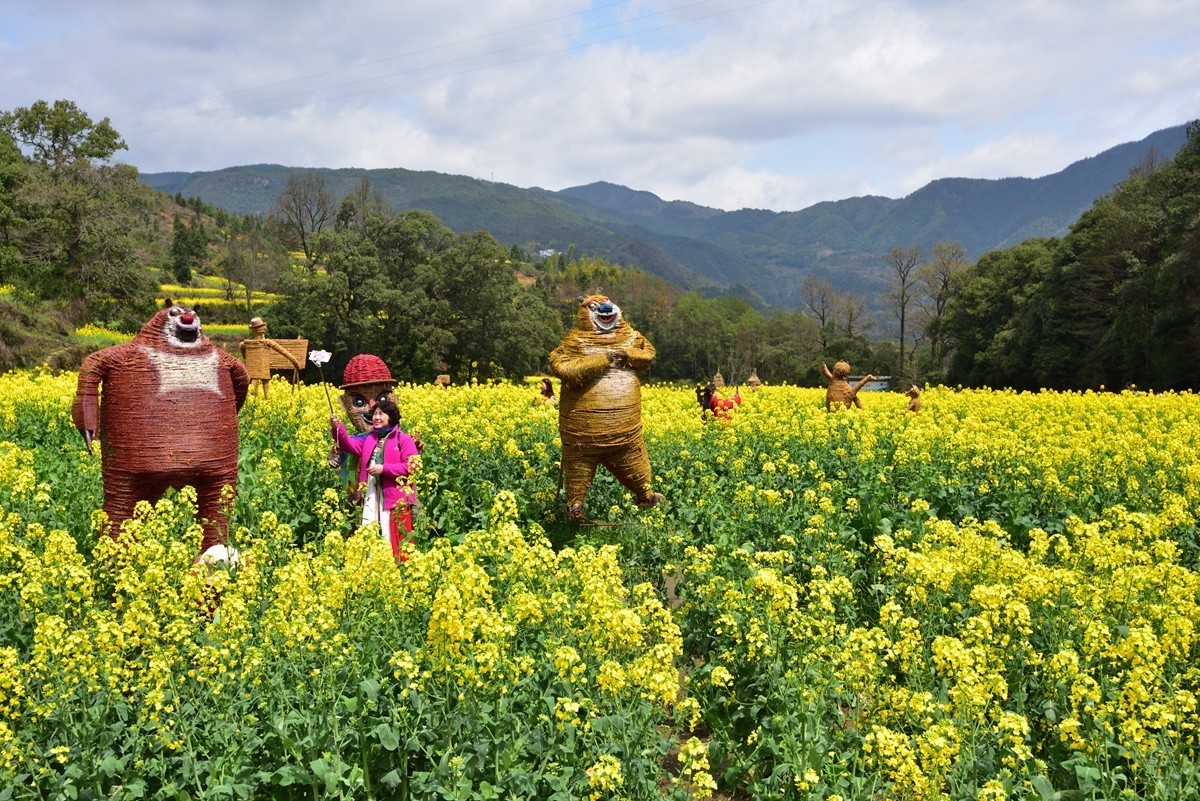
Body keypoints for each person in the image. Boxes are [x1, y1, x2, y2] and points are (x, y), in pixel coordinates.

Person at [330, 399, 420, 560]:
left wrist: (383, 469)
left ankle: (397, 569)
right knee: (369, 527)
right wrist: (338, 428)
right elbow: (347, 445)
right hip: (371, 494)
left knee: (393, 534)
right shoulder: (369, 439)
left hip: (394, 498)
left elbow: (411, 467)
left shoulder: (402, 439)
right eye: (375, 414)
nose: (376, 418)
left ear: (391, 417)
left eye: (381, 414)